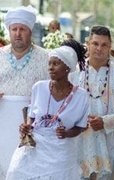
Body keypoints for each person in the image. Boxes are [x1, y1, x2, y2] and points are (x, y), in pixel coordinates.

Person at [6, 45, 89, 180]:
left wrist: (66, 133)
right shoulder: (39, 87)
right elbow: (31, 117)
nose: (50, 67)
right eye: (49, 63)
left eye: (56, 63)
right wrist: (27, 126)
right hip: (35, 146)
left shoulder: (81, 96)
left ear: (67, 67)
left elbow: (80, 127)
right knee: (17, 172)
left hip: (61, 151)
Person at [70, 25, 114, 180]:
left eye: (104, 45)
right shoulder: (74, 72)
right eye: (95, 43)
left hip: (108, 141)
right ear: (88, 44)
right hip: (79, 139)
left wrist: (105, 121)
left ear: (110, 47)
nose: (99, 48)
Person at [0, 5, 49, 178]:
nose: (18, 33)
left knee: (26, 168)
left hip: (32, 122)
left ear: (30, 31)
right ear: (9, 31)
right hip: (2, 119)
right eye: (14, 29)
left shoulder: (47, 58)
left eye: (22, 29)